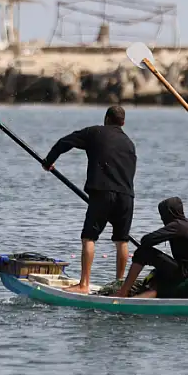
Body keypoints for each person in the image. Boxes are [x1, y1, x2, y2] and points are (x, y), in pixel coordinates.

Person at [43, 106, 136, 294]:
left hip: (102, 193)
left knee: (89, 238)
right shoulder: (129, 143)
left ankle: (84, 284)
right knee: (122, 240)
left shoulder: (95, 132)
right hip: (127, 196)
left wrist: (48, 161)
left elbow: (64, 142)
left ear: (106, 119)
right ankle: (120, 285)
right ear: (123, 123)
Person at [115, 197, 188, 298]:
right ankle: (148, 294)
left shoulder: (178, 226)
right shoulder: (187, 223)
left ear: (170, 213)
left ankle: (123, 293)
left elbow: (147, 240)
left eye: (163, 215)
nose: (162, 218)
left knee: (143, 253)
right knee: (158, 270)